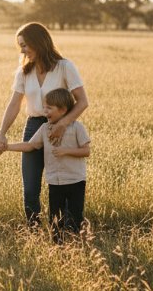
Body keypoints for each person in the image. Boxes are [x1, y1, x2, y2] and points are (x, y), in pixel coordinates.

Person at [0, 22, 89, 226]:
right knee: (30, 188)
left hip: (64, 128)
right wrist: (2, 133)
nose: (23, 50)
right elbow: (14, 104)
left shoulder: (65, 67)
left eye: (26, 44)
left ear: (40, 42)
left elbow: (82, 101)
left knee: (63, 184)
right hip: (34, 126)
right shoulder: (24, 72)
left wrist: (63, 124)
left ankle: (66, 230)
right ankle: (33, 230)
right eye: (20, 46)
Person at [6, 88, 91, 242]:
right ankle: (57, 246)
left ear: (63, 110)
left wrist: (65, 151)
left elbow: (86, 151)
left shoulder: (77, 127)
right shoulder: (45, 128)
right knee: (55, 218)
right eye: (44, 107)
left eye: (49, 108)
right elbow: (30, 146)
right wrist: (7, 147)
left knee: (75, 216)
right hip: (54, 181)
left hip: (75, 181)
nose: (44, 111)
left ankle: (76, 245)